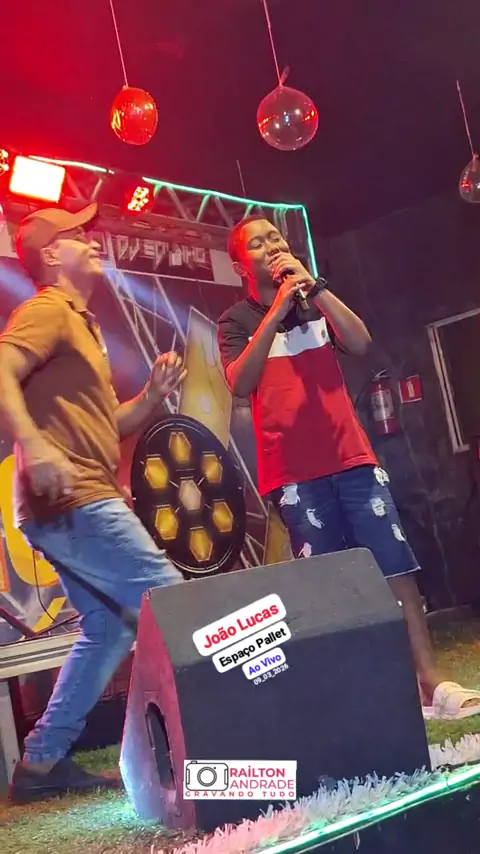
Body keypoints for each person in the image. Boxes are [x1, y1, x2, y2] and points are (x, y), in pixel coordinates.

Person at [218, 214, 480, 721]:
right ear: (240, 266)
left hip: (352, 458)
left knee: (396, 567)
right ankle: (368, 696)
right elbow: (240, 383)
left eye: (276, 237)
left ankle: (431, 684)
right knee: (329, 585)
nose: (272, 246)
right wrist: (276, 309)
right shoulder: (237, 320)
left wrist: (313, 289)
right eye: (258, 243)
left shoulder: (314, 301)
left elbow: (361, 342)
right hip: (295, 473)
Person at [0, 203, 186, 803]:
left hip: (71, 497)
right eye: (79, 235)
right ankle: (226, 728)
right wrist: (33, 444)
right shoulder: (47, 310)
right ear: (53, 253)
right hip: (71, 497)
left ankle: (41, 764)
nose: (92, 241)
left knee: (107, 629)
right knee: (175, 603)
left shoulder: (83, 325)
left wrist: (151, 396)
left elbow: (111, 424)